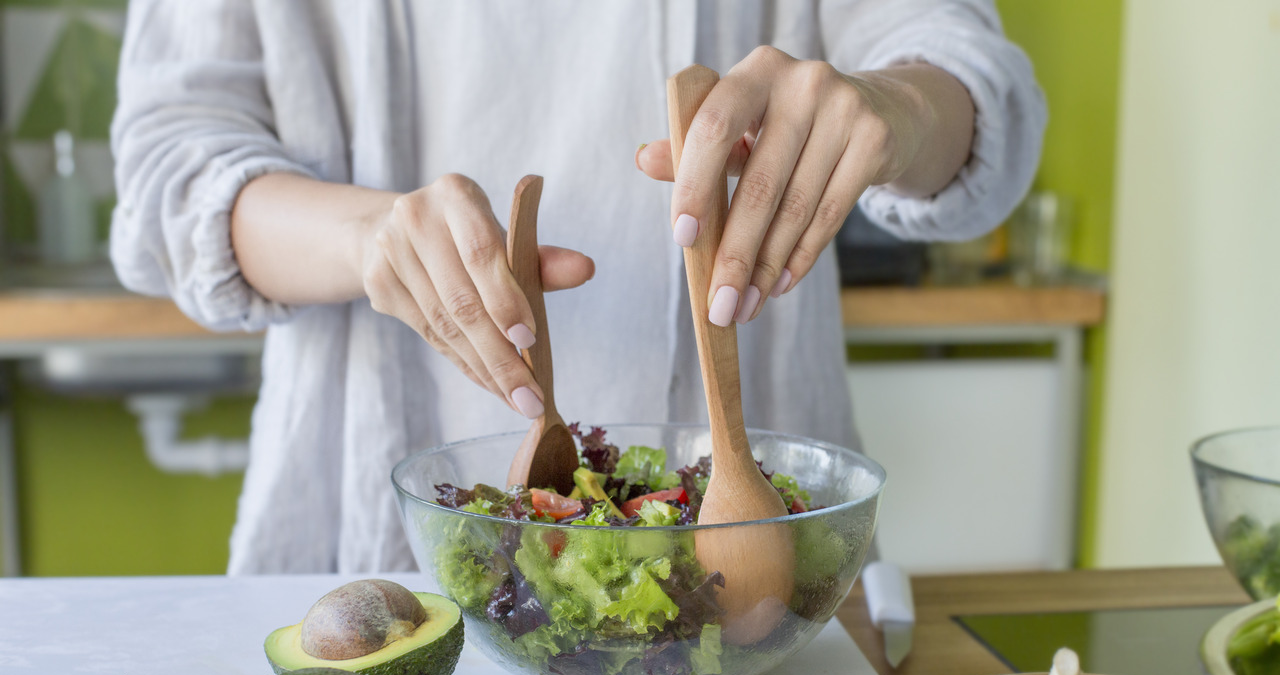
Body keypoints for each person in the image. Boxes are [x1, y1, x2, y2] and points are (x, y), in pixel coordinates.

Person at [110, 1, 1044, 576]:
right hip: (356, 533)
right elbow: (166, 173)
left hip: (769, 577)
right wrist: (371, 238)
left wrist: (900, 107)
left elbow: (972, 75)